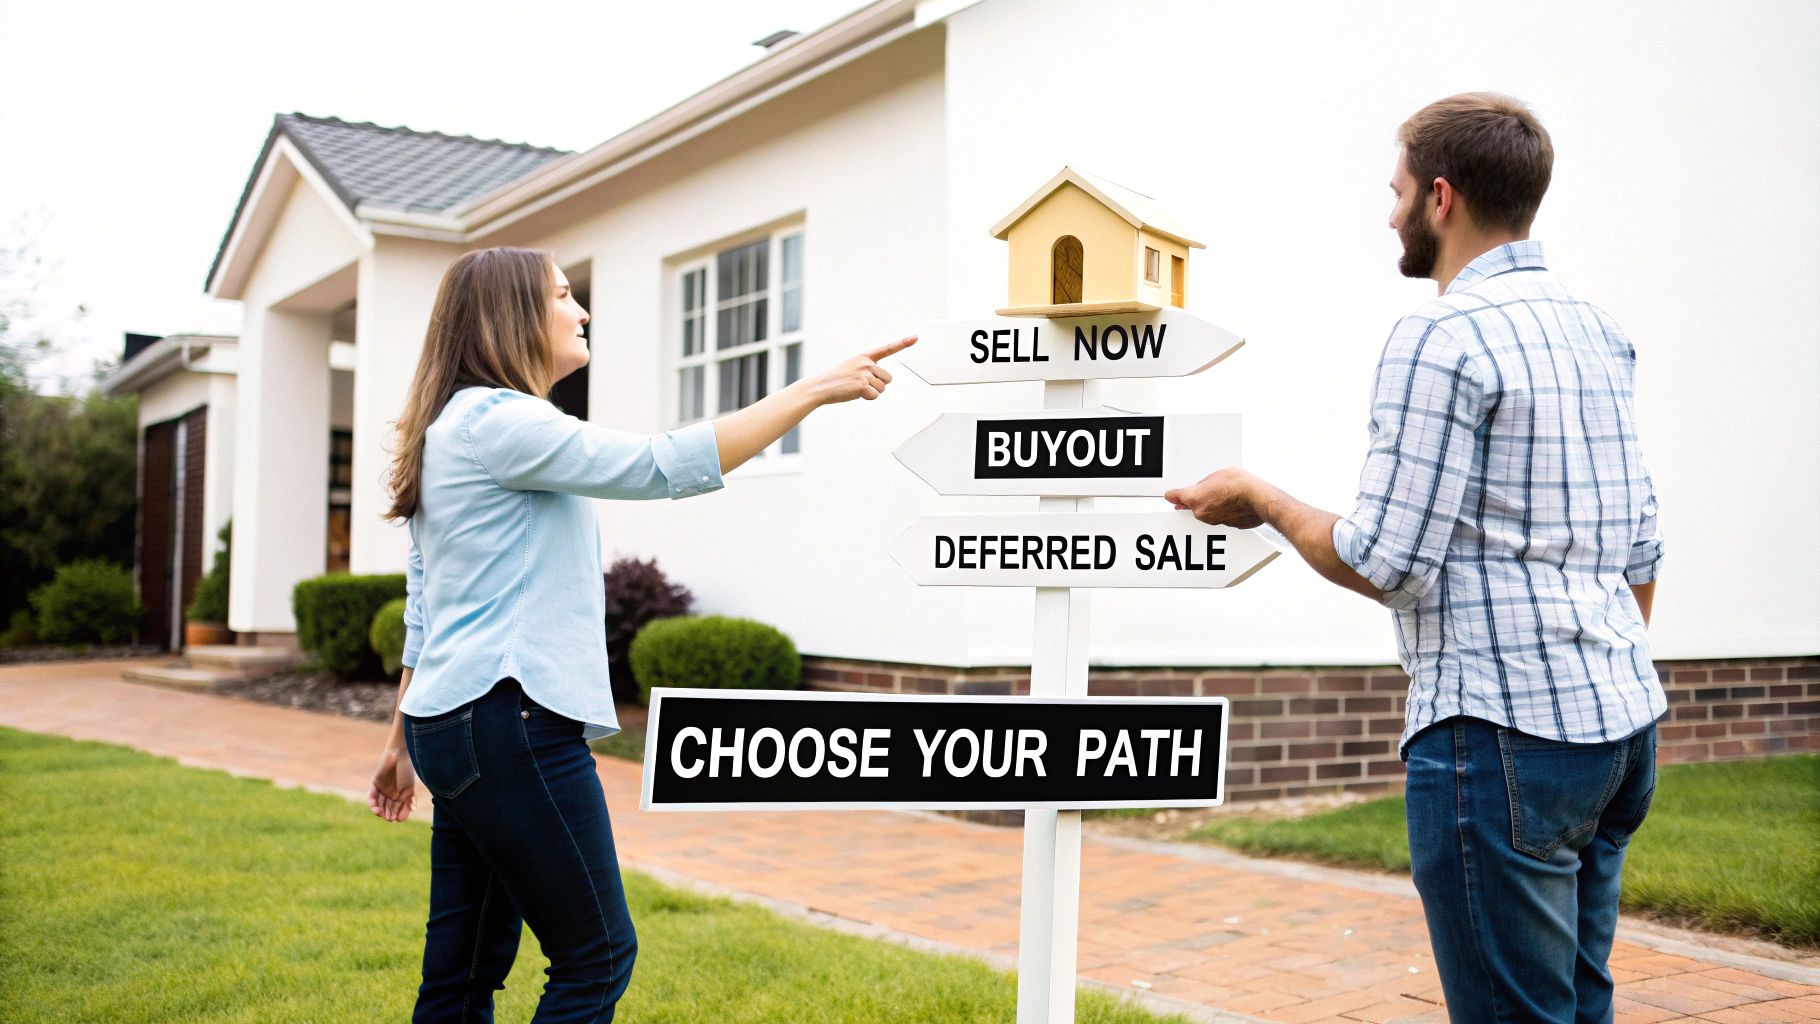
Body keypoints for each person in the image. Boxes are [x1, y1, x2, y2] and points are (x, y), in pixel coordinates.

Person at [1165, 93, 1664, 1022]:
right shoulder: (1598, 328)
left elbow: (1388, 561)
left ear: (1441, 198)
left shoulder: (1442, 336)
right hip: (1623, 728)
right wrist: (1603, 664)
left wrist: (1262, 500)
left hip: (1499, 734)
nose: (1387, 213)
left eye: (1394, 192)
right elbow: (1641, 541)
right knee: (1577, 1004)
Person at [364, 245, 914, 1022]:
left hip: (449, 728)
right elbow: (660, 465)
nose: (580, 310)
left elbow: (427, 604)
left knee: (461, 975)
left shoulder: (447, 427)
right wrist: (814, 391)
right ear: (512, 315)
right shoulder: (503, 421)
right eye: (562, 295)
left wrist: (399, 741)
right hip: (512, 721)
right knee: (596, 958)